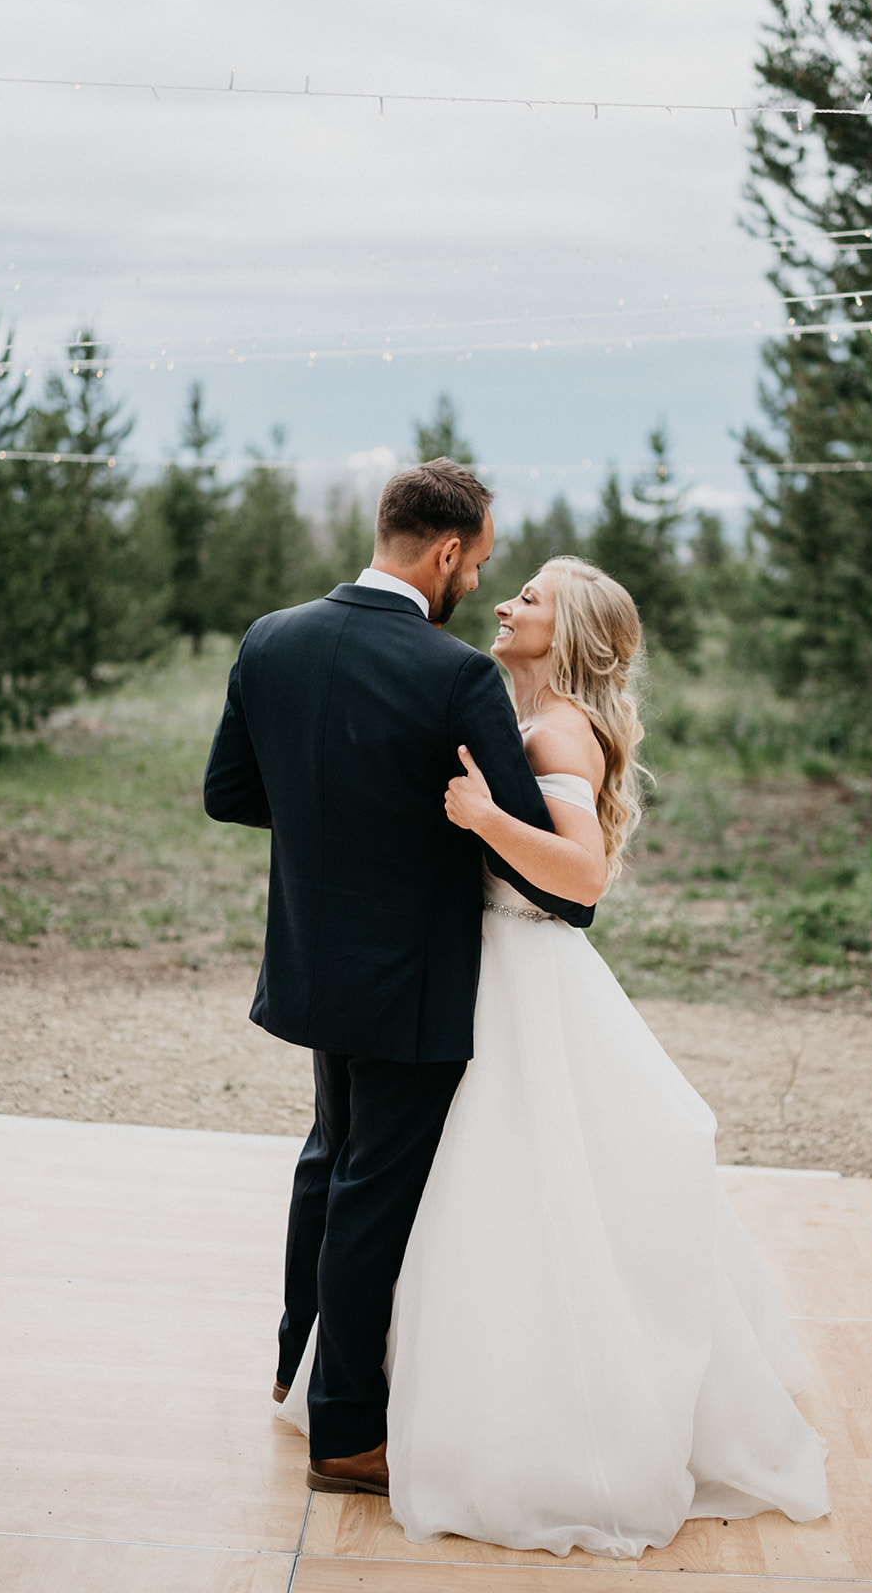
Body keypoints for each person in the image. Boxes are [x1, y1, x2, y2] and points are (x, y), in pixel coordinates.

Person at [280, 556, 830, 1556]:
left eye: (528, 597)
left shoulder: (561, 727)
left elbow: (580, 875)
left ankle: (524, 1417)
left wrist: (486, 817)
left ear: (569, 630)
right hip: (480, 968)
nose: (505, 603)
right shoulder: (511, 716)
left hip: (525, 976)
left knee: (517, 1194)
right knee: (465, 1197)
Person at [203, 460, 592, 1497]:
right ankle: (343, 1434)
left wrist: (338, 813)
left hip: (311, 953)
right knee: (374, 1190)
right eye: (482, 565)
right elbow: (518, 850)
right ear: (447, 551)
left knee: (328, 1162)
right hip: (415, 972)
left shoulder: (270, 637)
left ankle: (298, 1369)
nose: (478, 585)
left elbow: (228, 792)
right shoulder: (453, 673)